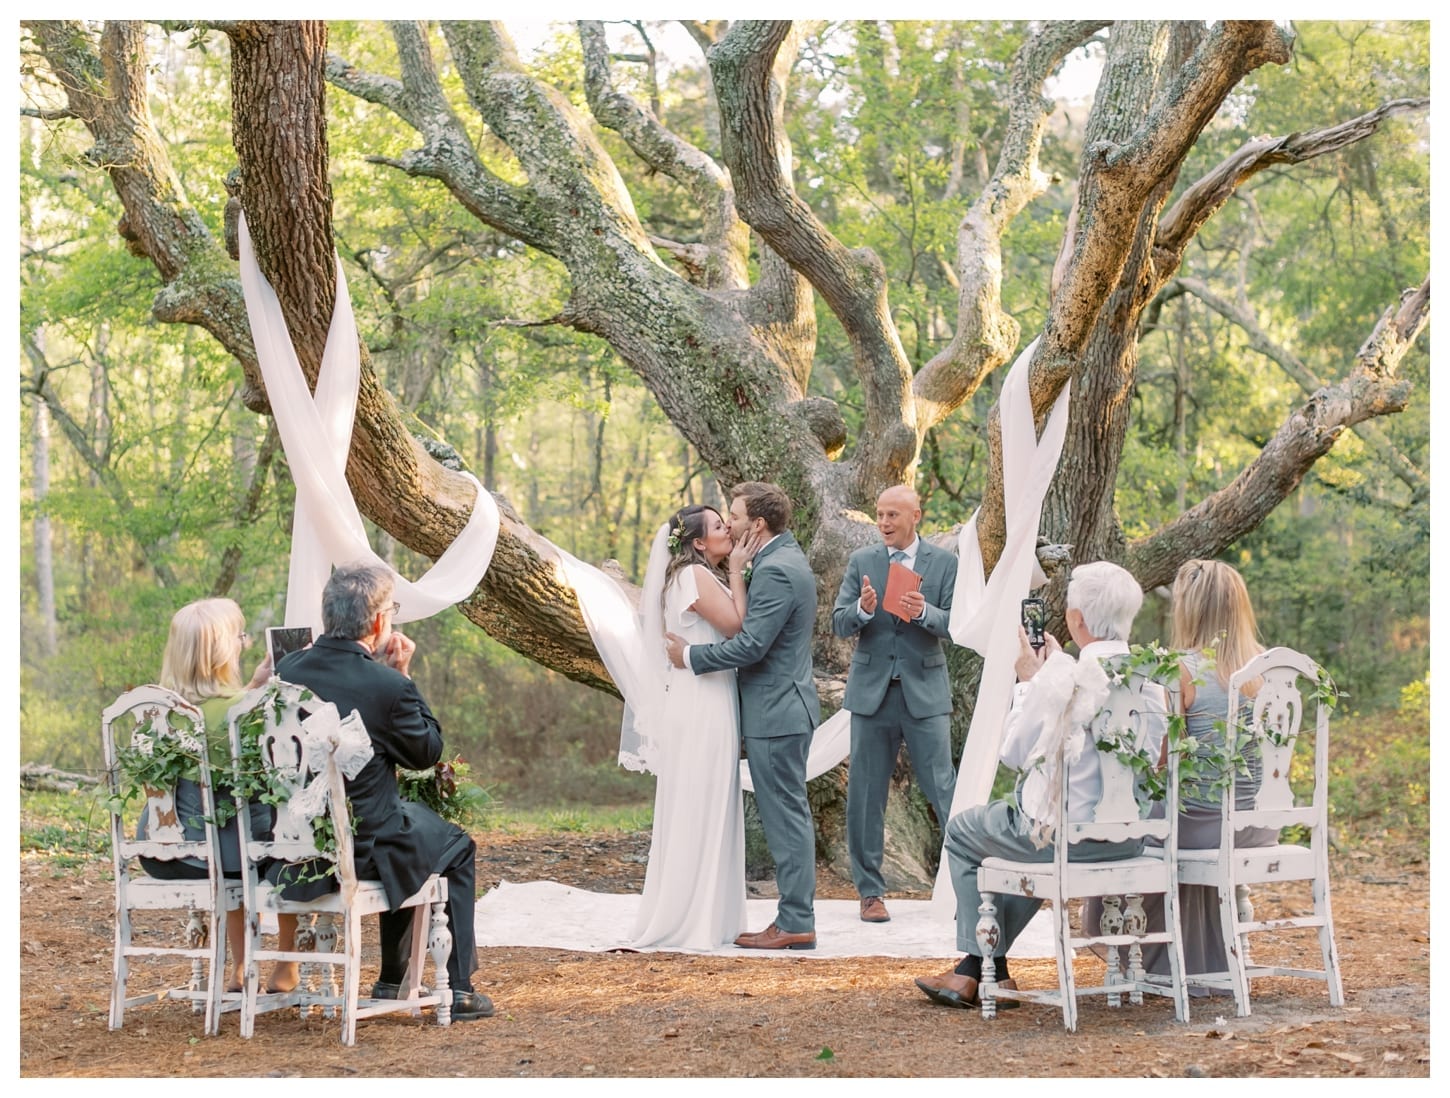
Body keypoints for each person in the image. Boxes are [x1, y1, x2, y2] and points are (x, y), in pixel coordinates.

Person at [913, 561, 1166, 1008]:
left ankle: (983, 968)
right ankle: (982, 973)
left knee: (967, 831)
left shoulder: (1063, 676)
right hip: (1129, 840)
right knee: (1031, 834)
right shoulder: (1152, 681)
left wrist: (1032, 682)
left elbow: (1013, 754)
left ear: (1075, 620)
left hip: (1066, 840)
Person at [276, 563, 494, 1021]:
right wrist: (403, 676)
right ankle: (455, 988)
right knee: (450, 845)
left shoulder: (286, 671)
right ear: (378, 622)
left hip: (290, 848)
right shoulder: (389, 686)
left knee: (412, 829)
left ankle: (394, 979)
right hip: (361, 848)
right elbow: (426, 752)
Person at [1082, 558, 1277, 988]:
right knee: (1180, 811)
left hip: (1204, 830)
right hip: (1260, 826)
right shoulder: (1270, 669)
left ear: (1189, 610)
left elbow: (1166, 764)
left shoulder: (1183, 669)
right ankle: (1201, 958)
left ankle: (1144, 957)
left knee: (1130, 832)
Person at [665, 482, 821, 950]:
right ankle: (795, 917)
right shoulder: (776, 561)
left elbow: (751, 645)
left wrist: (690, 656)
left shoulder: (776, 570)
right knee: (786, 814)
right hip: (779, 708)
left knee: (786, 817)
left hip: (778, 711)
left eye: (733, 516)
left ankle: (795, 921)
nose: (729, 524)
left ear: (757, 524)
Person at [139, 598, 300, 994]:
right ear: (223, 651)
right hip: (229, 854)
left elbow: (214, 717)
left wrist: (252, 688)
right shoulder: (249, 712)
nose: (245, 645)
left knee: (228, 833)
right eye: (241, 637)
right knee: (294, 835)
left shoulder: (160, 709)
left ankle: (241, 968)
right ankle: (285, 965)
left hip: (165, 854)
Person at [629, 505, 760, 949]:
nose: (730, 530)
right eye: (720, 526)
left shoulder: (696, 575)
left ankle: (712, 912)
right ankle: (692, 914)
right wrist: (739, 571)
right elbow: (738, 626)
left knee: (708, 798)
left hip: (707, 694)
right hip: (702, 701)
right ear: (699, 542)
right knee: (701, 800)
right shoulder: (693, 577)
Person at [831, 484, 958, 923]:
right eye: (880, 515)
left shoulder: (945, 564)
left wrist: (926, 612)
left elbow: (958, 623)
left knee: (945, 789)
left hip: (925, 692)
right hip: (872, 693)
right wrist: (863, 610)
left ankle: (964, 885)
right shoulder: (862, 562)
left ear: (915, 516)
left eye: (892, 516)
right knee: (865, 794)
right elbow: (838, 621)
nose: (883, 523)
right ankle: (870, 892)